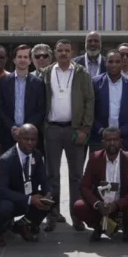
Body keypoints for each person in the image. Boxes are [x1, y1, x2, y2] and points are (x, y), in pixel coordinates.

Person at [41, 39, 94, 231]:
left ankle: (77, 215)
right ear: (55, 53)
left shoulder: (82, 73)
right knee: (52, 174)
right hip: (52, 129)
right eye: (60, 50)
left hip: (75, 130)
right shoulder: (46, 73)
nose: (63, 53)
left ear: (72, 53)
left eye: (67, 50)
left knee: (76, 175)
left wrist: (84, 130)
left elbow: (89, 101)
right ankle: (52, 215)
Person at [73, 127, 128, 242]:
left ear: (120, 142)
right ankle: (98, 228)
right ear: (103, 142)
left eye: (115, 140)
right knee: (79, 206)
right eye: (108, 140)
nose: (112, 143)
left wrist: (118, 204)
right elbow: (84, 186)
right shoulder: (94, 158)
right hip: (101, 207)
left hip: (122, 207)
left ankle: (126, 227)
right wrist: (97, 204)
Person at [0, 124, 52, 246]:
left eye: (33, 140)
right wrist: (29, 199)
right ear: (18, 138)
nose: (30, 143)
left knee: (53, 197)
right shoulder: (7, 159)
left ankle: (22, 225)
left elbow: (44, 180)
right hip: (4, 199)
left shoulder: (37, 155)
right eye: (26, 139)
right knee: (6, 207)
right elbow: (1, 190)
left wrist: (47, 193)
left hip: (25, 195)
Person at [0, 44, 47, 177]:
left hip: (30, 137)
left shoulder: (38, 83)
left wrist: (25, 130)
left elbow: (41, 110)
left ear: (30, 60)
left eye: (25, 57)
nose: (22, 60)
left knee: (30, 172)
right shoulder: (4, 82)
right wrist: (12, 127)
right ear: (14, 60)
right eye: (19, 57)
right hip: (8, 133)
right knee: (8, 172)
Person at [90, 49, 128, 154]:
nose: (114, 65)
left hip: (125, 138)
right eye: (110, 61)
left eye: (117, 62)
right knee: (99, 170)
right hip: (100, 139)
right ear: (105, 63)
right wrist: (100, 130)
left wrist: (125, 130)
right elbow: (90, 110)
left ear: (122, 63)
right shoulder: (95, 83)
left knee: (125, 170)